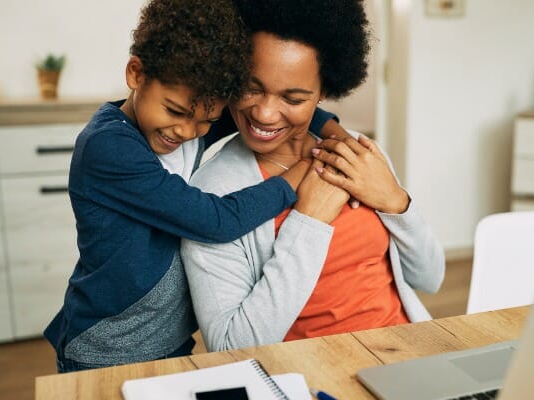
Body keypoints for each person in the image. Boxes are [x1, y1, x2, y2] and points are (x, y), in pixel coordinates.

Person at [44, 0, 347, 372]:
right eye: (175, 111)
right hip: (107, 349)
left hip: (172, 343)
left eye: (207, 121)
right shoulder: (109, 148)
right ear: (136, 74)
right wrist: (301, 171)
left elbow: (275, 103)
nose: (187, 132)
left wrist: (335, 133)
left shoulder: (194, 109)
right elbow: (216, 221)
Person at [181, 0, 445, 351]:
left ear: (324, 94)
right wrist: (309, 220)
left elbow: (430, 278)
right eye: (251, 87)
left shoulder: (361, 159)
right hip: (314, 376)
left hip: (407, 356)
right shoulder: (212, 196)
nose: (264, 112)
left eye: (293, 98)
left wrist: (396, 201)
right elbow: (230, 347)